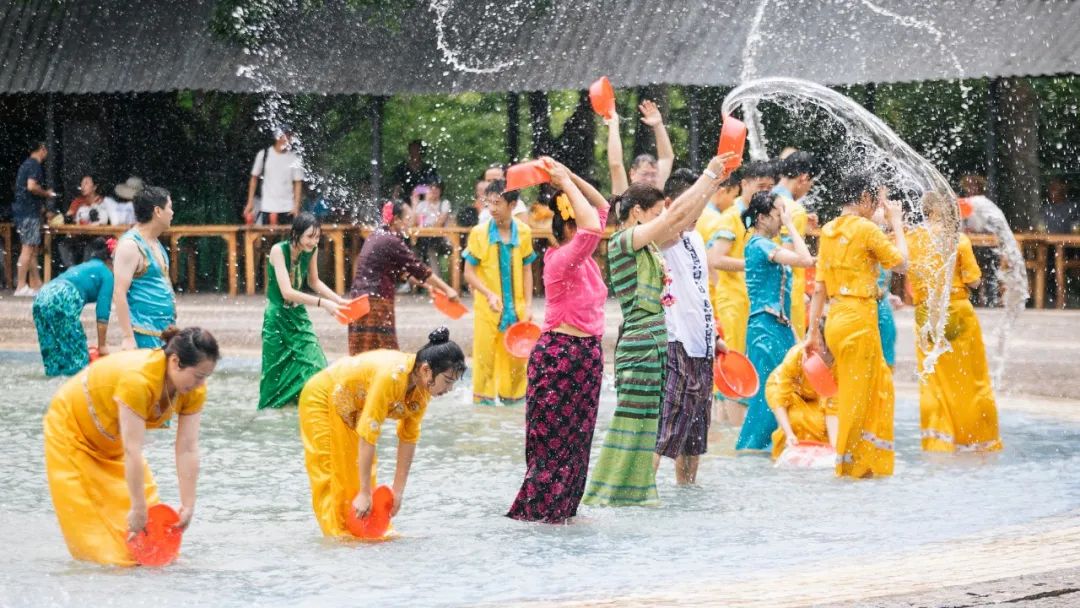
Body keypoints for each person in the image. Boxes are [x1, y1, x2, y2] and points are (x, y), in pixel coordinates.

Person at [583, 153, 734, 507]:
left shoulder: (655, 241)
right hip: (647, 345)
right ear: (638, 212)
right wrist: (710, 177)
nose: (663, 219)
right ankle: (622, 496)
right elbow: (678, 214)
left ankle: (640, 498)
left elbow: (682, 216)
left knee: (663, 432)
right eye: (656, 213)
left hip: (662, 345)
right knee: (644, 430)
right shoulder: (630, 241)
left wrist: (711, 182)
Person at [44, 326, 219, 565]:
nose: (200, 384)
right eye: (198, 376)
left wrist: (188, 504)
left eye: (205, 377)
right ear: (176, 362)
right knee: (104, 552)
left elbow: (187, 448)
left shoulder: (192, 389)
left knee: (150, 546)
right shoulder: (139, 379)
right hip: (72, 431)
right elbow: (133, 450)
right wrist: (137, 508)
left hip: (111, 442)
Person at [507, 159, 609, 523]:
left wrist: (569, 175)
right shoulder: (560, 260)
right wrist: (564, 182)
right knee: (551, 445)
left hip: (586, 358)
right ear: (570, 224)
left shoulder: (587, 263)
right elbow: (593, 228)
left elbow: (602, 209)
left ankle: (565, 511)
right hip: (559, 358)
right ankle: (538, 515)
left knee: (578, 443)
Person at [298, 328, 466, 537]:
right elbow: (369, 437)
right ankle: (337, 539)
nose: (449, 389)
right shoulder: (391, 377)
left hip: (352, 409)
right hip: (322, 396)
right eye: (448, 381)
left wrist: (397, 492)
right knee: (332, 474)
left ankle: (362, 532)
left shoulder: (422, 392)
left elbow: (408, 439)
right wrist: (366, 492)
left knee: (359, 473)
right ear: (425, 370)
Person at [807, 174, 908, 478]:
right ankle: (849, 466)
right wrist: (898, 223)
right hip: (859, 319)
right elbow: (902, 263)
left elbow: (820, 288)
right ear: (864, 199)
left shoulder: (828, 230)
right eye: (875, 200)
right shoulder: (865, 228)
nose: (878, 206)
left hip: (837, 318)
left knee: (872, 388)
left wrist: (813, 331)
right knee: (859, 395)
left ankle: (863, 460)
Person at [906, 196, 1002, 453]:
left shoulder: (914, 239)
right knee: (970, 378)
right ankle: (974, 438)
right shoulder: (958, 240)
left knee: (933, 379)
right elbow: (973, 281)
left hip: (926, 314)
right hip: (956, 310)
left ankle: (938, 439)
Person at [653, 169, 727, 485]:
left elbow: (700, 294)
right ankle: (640, 495)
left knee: (694, 437)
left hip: (702, 346)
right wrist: (710, 177)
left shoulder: (696, 236)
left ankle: (687, 492)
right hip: (676, 342)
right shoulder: (661, 236)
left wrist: (715, 337)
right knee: (665, 429)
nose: (701, 211)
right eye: (696, 203)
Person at [735, 192, 815, 452]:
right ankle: (750, 450)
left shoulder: (767, 244)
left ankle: (768, 448)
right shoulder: (760, 245)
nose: (783, 218)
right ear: (761, 217)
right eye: (778, 213)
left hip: (777, 328)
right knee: (769, 395)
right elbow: (805, 260)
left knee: (781, 390)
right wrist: (792, 225)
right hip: (765, 329)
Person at [258, 213, 347, 409]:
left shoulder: (311, 249)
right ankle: (274, 423)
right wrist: (324, 304)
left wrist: (340, 301)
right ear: (295, 234)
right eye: (309, 236)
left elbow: (314, 282)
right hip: (277, 319)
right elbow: (287, 292)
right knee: (275, 378)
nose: (313, 242)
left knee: (317, 367)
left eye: (317, 237)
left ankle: (310, 409)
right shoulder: (278, 251)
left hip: (298, 317)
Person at [349, 201, 458, 355]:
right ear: (397, 220)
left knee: (361, 354)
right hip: (375, 303)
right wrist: (448, 289)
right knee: (385, 356)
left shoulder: (377, 235)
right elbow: (420, 269)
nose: (411, 222)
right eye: (408, 218)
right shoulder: (391, 241)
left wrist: (428, 287)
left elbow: (404, 272)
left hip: (359, 299)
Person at [463, 181, 537, 406]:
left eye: (498, 203)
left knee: (516, 363)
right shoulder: (479, 233)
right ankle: (484, 411)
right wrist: (488, 294)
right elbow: (469, 273)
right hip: (488, 310)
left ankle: (512, 407)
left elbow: (527, 270)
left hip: (517, 311)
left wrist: (529, 306)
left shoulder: (523, 232)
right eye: (489, 203)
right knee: (485, 362)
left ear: (512, 205)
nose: (492, 208)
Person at [32, 237, 115, 376]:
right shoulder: (107, 273)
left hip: (42, 296)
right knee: (78, 361)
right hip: (63, 296)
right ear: (111, 260)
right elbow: (102, 314)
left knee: (52, 354)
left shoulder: (84, 266)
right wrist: (102, 346)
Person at [112, 186, 176, 349]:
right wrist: (128, 337)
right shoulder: (130, 245)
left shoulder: (155, 241)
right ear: (158, 211)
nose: (172, 212)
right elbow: (119, 293)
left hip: (164, 331)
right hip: (144, 332)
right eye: (169, 207)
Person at [765, 340, 838, 460]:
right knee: (796, 419)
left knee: (820, 425)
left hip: (816, 396)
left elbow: (832, 408)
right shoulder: (797, 355)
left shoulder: (838, 364)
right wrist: (789, 434)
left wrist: (834, 447)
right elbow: (780, 399)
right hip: (784, 389)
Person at [772, 151, 818, 340]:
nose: (807, 190)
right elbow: (788, 257)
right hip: (788, 295)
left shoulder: (762, 199)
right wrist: (813, 260)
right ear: (803, 178)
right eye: (810, 184)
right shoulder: (795, 210)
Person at [606, 100, 675, 196]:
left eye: (653, 175)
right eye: (645, 174)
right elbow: (616, 164)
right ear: (632, 174)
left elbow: (667, 158)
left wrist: (658, 125)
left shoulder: (657, 192)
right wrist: (613, 125)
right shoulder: (624, 196)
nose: (649, 180)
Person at [13, 142, 55, 296]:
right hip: (28, 213)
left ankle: (37, 284)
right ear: (42, 148)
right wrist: (47, 193)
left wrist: (41, 208)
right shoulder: (34, 165)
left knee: (32, 249)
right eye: (46, 150)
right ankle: (21, 286)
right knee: (27, 248)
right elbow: (31, 187)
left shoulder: (25, 164)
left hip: (23, 211)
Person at [243, 124, 305, 224]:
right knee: (267, 236)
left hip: (288, 207)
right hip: (267, 206)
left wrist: (296, 206)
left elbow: (298, 183)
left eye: (290, 136)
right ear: (278, 137)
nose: (288, 139)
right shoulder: (264, 155)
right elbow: (254, 178)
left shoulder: (295, 158)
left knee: (288, 237)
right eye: (286, 135)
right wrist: (250, 202)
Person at [57, 175, 110, 269]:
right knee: (64, 245)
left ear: (94, 187)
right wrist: (65, 219)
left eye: (86, 183)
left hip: (96, 238)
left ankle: (85, 275)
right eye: (82, 184)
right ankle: (72, 272)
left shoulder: (102, 202)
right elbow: (68, 217)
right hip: (80, 238)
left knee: (90, 248)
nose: (83, 186)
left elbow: (103, 222)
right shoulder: (77, 202)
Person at [412, 181, 452, 278]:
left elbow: (440, 223)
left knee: (430, 248)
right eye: (431, 188)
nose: (433, 191)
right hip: (423, 238)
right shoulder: (422, 205)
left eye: (436, 189)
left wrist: (430, 205)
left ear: (440, 191)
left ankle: (436, 281)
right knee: (412, 248)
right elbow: (414, 222)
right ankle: (414, 282)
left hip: (441, 239)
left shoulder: (444, 203)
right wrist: (415, 204)